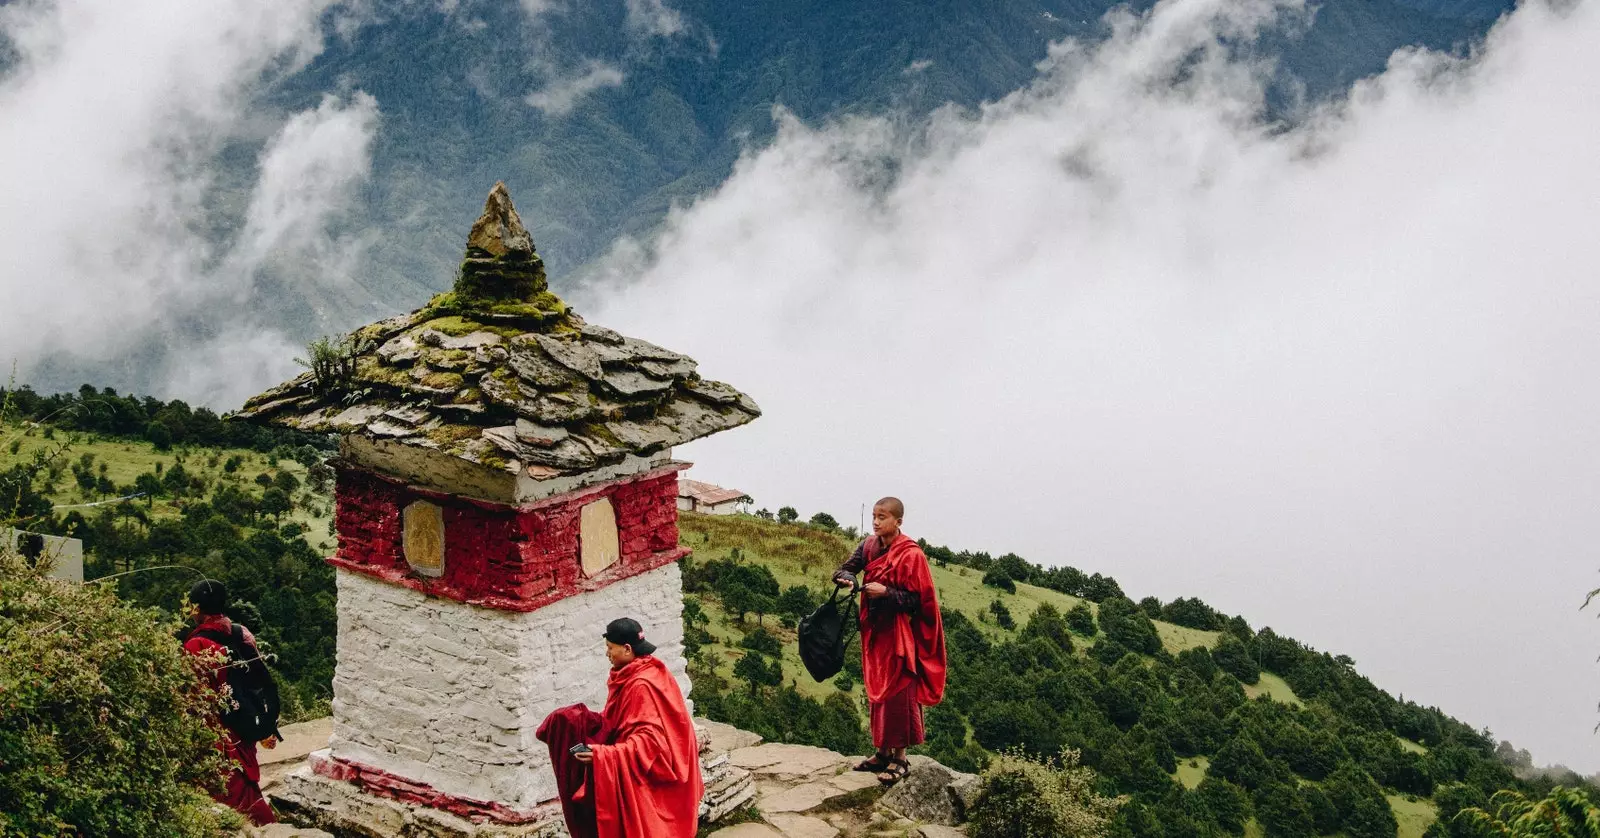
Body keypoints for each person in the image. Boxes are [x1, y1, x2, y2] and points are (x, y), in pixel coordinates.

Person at [536, 618, 704, 838]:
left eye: (610, 648)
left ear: (627, 649)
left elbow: (651, 743)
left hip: (650, 777)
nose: (607, 654)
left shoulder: (642, 685)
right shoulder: (645, 671)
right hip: (635, 763)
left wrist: (605, 755)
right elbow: (622, 722)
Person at [833, 497, 947, 786]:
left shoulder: (911, 555)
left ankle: (900, 758)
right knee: (878, 692)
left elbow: (917, 601)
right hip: (875, 631)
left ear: (898, 522)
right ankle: (882, 752)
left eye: (882, 517)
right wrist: (847, 579)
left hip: (900, 634)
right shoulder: (869, 546)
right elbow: (845, 569)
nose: (875, 521)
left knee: (899, 692)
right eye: (874, 516)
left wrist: (886, 593)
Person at [181, 579, 279, 826]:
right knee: (243, 786)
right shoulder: (240, 632)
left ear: (196, 609)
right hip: (243, 721)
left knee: (231, 792)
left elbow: (196, 697)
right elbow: (255, 678)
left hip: (218, 730)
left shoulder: (197, 644)